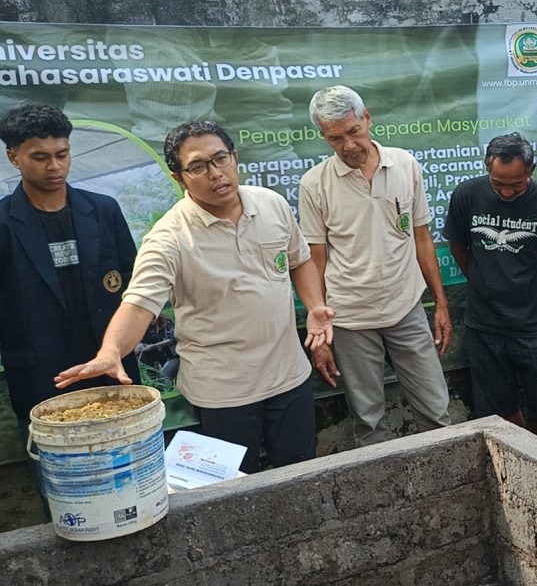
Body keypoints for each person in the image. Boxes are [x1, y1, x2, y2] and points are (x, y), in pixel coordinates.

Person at [56, 120, 334, 475]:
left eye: (221, 159)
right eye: (198, 167)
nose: (216, 173)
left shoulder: (271, 204)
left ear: (235, 157)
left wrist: (314, 306)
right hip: (223, 393)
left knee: (301, 474)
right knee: (235, 488)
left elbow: (299, 260)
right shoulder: (169, 238)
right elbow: (138, 304)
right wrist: (111, 351)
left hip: (289, 377)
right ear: (179, 177)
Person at [0, 103, 139, 516]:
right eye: (40, 157)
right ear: (14, 157)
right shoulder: (3, 224)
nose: (54, 167)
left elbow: (132, 282)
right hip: (42, 378)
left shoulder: (103, 210)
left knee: (127, 478)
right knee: (63, 493)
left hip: (109, 366)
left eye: (62, 154)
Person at [299, 85, 452, 447]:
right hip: (349, 319)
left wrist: (440, 303)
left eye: (353, 131)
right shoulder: (314, 184)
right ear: (323, 136)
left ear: (367, 118)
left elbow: (422, 238)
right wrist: (321, 331)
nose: (348, 145)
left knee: (437, 412)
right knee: (368, 423)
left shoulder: (404, 164)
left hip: (406, 308)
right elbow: (315, 260)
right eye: (335, 138)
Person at [443, 133, 537, 439]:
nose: (506, 191)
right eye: (498, 183)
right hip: (484, 322)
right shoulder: (467, 195)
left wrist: (530, 286)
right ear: (487, 167)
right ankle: (513, 454)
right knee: (496, 408)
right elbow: (458, 245)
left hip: (532, 324)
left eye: (515, 184)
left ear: (531, 170)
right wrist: (481, 280)